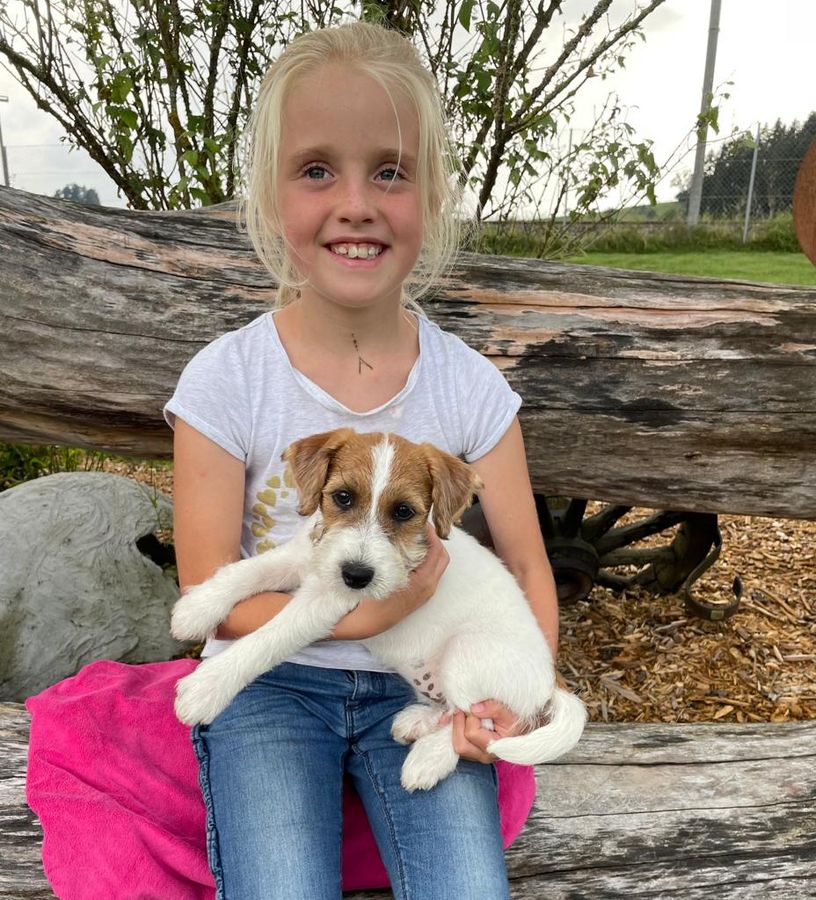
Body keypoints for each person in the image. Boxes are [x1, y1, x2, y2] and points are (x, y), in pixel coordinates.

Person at [163, 20, 560, 900]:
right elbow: (207, 584)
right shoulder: (228, 379)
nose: (355, 203)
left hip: (420, 687)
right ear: (270, 196)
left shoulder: (470, 387)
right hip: (271, 682)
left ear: (433, 195)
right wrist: (372, 614)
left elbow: (530, 565)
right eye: (316, 170)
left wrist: (514, 702)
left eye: (390, 171)